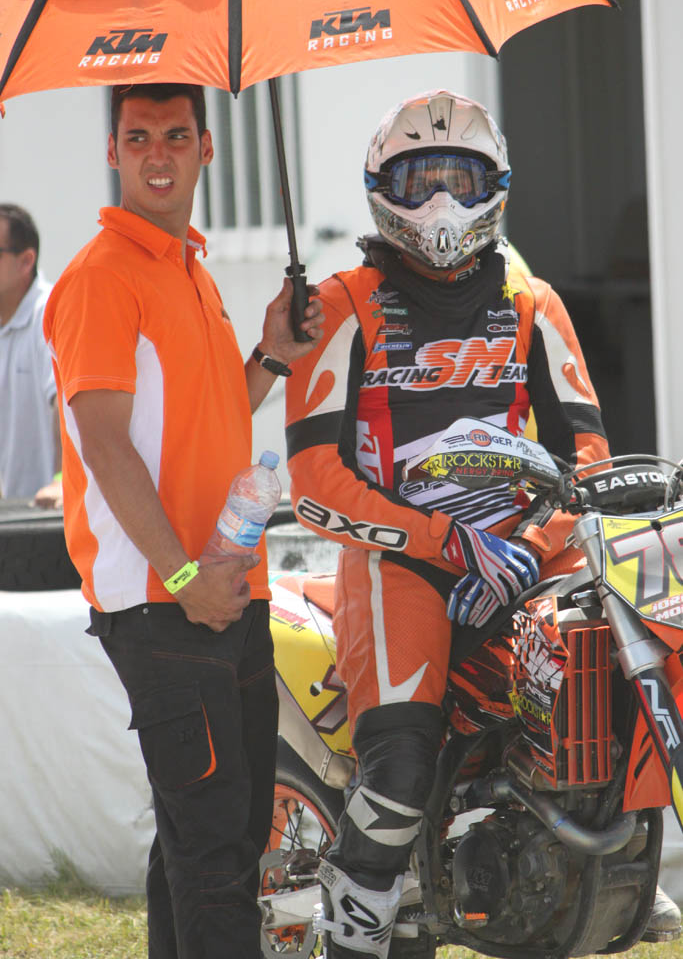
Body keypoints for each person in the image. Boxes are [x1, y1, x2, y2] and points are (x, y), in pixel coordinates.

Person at [284, 89, 680, 956]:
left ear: (493, 186)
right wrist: (448, 543)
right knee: (399, 767)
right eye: (417, 180)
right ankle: (355, 930)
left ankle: (606, 850)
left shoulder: (532, 301)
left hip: (521, 549)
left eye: (458, 181)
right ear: (379, 189)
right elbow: (313, 483)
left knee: (622, 667)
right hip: (399, 560)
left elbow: (587, 461)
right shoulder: (339, 305)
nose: (438, 203)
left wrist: (530, 546)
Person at [43, 82, 324, 959]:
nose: (156, 155)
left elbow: (209, 418)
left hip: (224, 589)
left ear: (206, 147)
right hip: (165, 602)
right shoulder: (101, 277)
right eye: (138, 138)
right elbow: (104, 444)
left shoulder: (188, 266)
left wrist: (272, 353)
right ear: (112, 153)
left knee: (209, 840)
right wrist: (182, 576)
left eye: (174, 135)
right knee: (214, 855)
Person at [0, 203, 62, 506]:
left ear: (26, 261)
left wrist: (62, 481)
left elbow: (65, 406)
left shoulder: (50, 313)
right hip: (12, 517)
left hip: (51, 516)